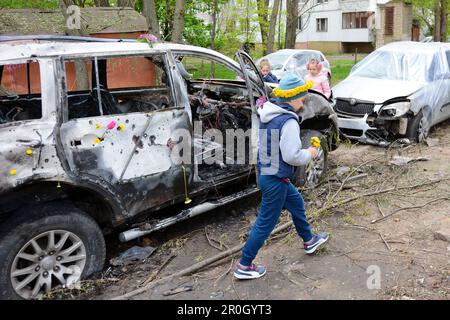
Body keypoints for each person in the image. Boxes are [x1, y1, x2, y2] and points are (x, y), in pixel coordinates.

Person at [234, 74, 329, 280]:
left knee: (296, 203)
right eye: (302, 96)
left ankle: (309, 240)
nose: (304, 100)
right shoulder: (288, 121)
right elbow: (292, 156)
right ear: (292, 98)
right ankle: (244, 264)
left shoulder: (269, 114)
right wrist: (310, 153)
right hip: (276, 179)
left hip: (269, 174)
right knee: (265, 223)